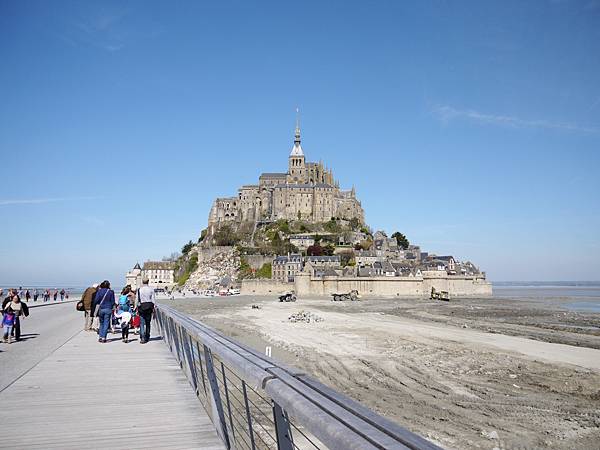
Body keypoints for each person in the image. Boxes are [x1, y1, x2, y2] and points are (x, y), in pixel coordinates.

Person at [137, 278, 155, 344]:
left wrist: (136, 308)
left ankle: (142, 337)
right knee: (148, 323)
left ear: (142, 282)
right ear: (148, 282)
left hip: (141, 307)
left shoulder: (139, 289)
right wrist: (154, 309)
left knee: (141, 323)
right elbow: (153, 300)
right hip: (149, 306)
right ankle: (147, 336)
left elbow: (137, 300)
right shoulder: (151, 289)